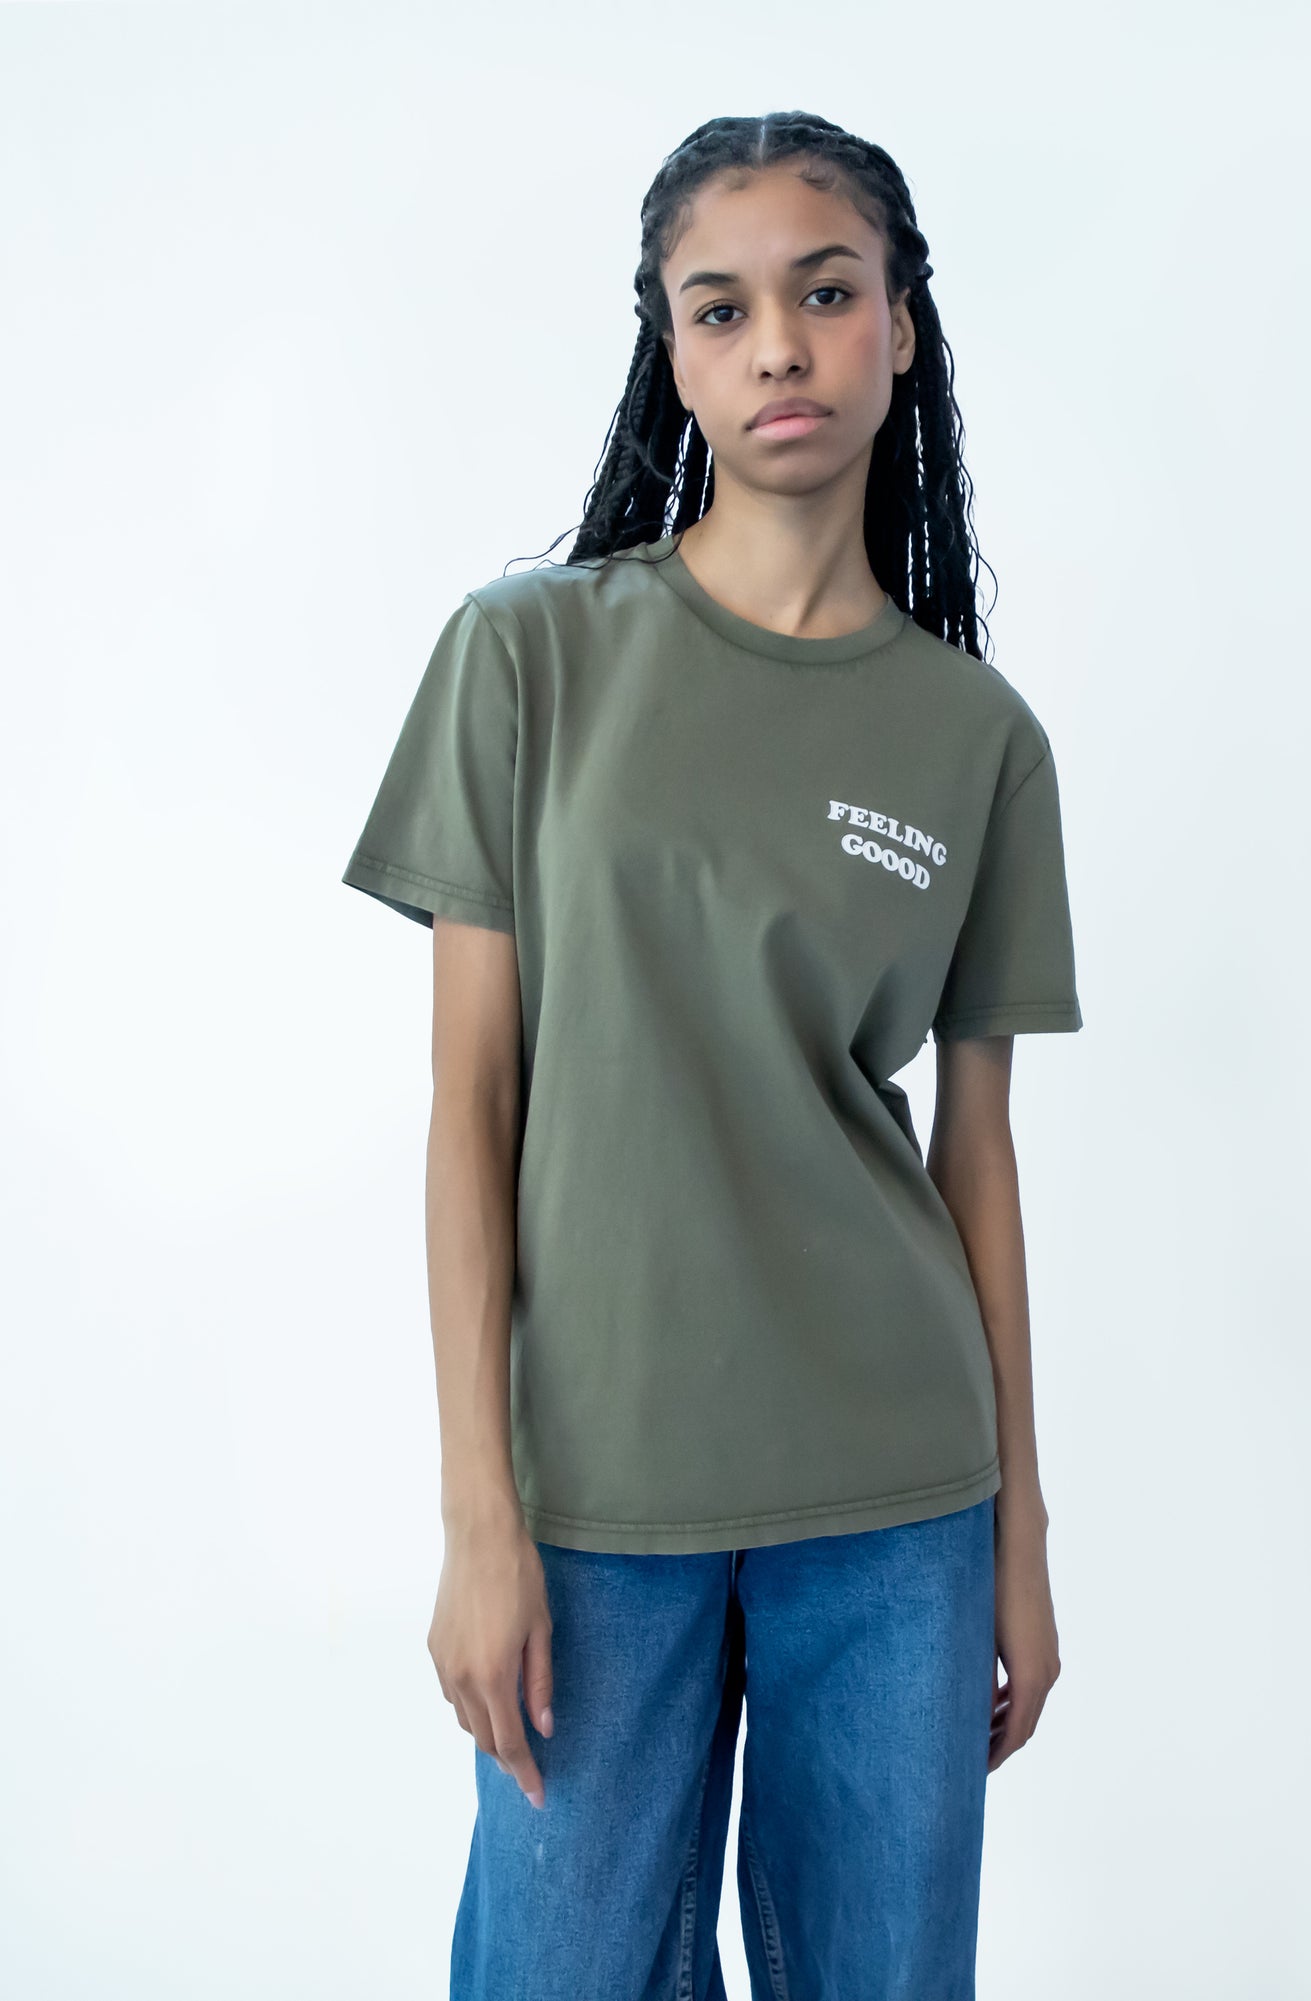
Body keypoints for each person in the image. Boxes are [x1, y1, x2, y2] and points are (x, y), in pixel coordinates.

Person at [341, 109, 1083, 2001]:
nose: (778, 347)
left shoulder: (977, 740)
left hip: (897, 1500)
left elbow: (976, 1157)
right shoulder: (527, 659)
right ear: (669, 352)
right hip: (596, 1494)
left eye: (826, 294)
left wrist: (1020, 1531)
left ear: (900, 326)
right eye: (721, 308)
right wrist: (478, 1514)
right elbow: (469, 1104)